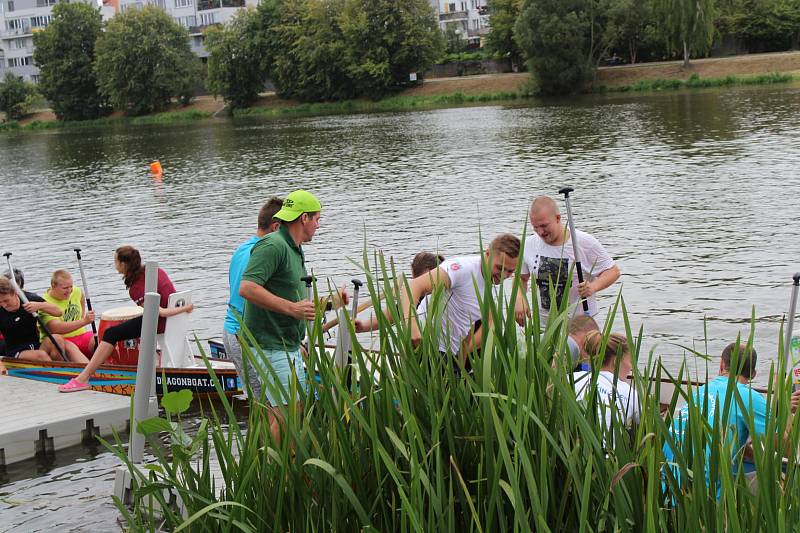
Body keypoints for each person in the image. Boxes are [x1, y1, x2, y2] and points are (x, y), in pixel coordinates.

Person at [239, 190, 348, 443]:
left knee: (292, 409)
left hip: (287, 343)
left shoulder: (295, 249)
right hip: (269, 344)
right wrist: (292, 309)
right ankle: (275, 475)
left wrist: (332, 302)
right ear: (304, 218)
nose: (319, 225)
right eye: (317, 219)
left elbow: (299, 303)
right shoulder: (273, 245)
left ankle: (280, 469)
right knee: (285, 413)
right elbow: (247, 288)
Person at [356, 234, 521, 365]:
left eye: (510, 272)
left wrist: (464, 353)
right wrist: (411, 326)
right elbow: (413, 287)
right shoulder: (461, 269)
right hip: (425, 345)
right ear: (487, 254)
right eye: (500, 268)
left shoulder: (490, 289)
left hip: (450, 353)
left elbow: (490, 323)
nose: (504, 275)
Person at [662, 342, 800, 493]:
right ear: (753, 374)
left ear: (721, 365)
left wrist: (753, 454)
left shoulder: (701, 391)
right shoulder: (750, 397)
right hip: (706, 495)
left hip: (666, 486)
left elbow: (727, 442)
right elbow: (786, 449)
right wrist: (785, 416)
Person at [58, 245, 194, 392]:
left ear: (123, 264)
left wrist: (186, 308)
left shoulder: (136, 287)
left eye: (115, 261)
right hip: (174, 321)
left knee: (111, 333)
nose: (114, 264)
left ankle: (82, 378)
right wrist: (184, 310)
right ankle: (146, 361)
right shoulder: (156, 271)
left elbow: (160, 312)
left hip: (160, 323)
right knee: (127, 325)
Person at [519, 196, 620, 322]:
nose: (540, 232)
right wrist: (519, 298)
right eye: (535, 227)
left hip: (579, 326)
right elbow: (521, 278)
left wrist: (593, 287)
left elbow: (613, 271)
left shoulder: (584, 242)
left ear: (557, 218)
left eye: (544, 225)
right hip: (543, 326)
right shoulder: (528, 244)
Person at [224, 196, 282, 399]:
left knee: (259, 402)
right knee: (268, 403)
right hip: (245, 336)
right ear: (276, 228)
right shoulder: (263, 254)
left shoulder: (242, 248)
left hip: (231, 332)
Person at [573, 331, 639, 439]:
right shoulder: (630, 393)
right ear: (616, 361)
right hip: (607, 455)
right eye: (630, 361)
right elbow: (649, 424)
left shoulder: (570, 379)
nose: (631, 367)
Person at [0, 276, 71, 363]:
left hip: (35, 345)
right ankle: (57, 373)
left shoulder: (28, 298)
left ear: (15, 293)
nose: (4, 305)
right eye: (0, 302)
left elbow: (58, 312)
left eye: (6, 301)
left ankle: (62, 369)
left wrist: (39, 305)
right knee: (41, 356)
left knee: (57, 339)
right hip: (15, 352)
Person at [41, 269, 96, 359]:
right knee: (71, 349)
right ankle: (90, 371)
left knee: (102, 339)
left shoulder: (76, 291)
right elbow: (56, 328)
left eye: (71, 286)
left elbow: (81, 297)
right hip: (63, 340)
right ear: (53, 286)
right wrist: (84, 321)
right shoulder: (44, 303)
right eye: (65, 288)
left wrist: (81, 317)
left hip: (81, 335)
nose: (69, 291)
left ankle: (114, 368)